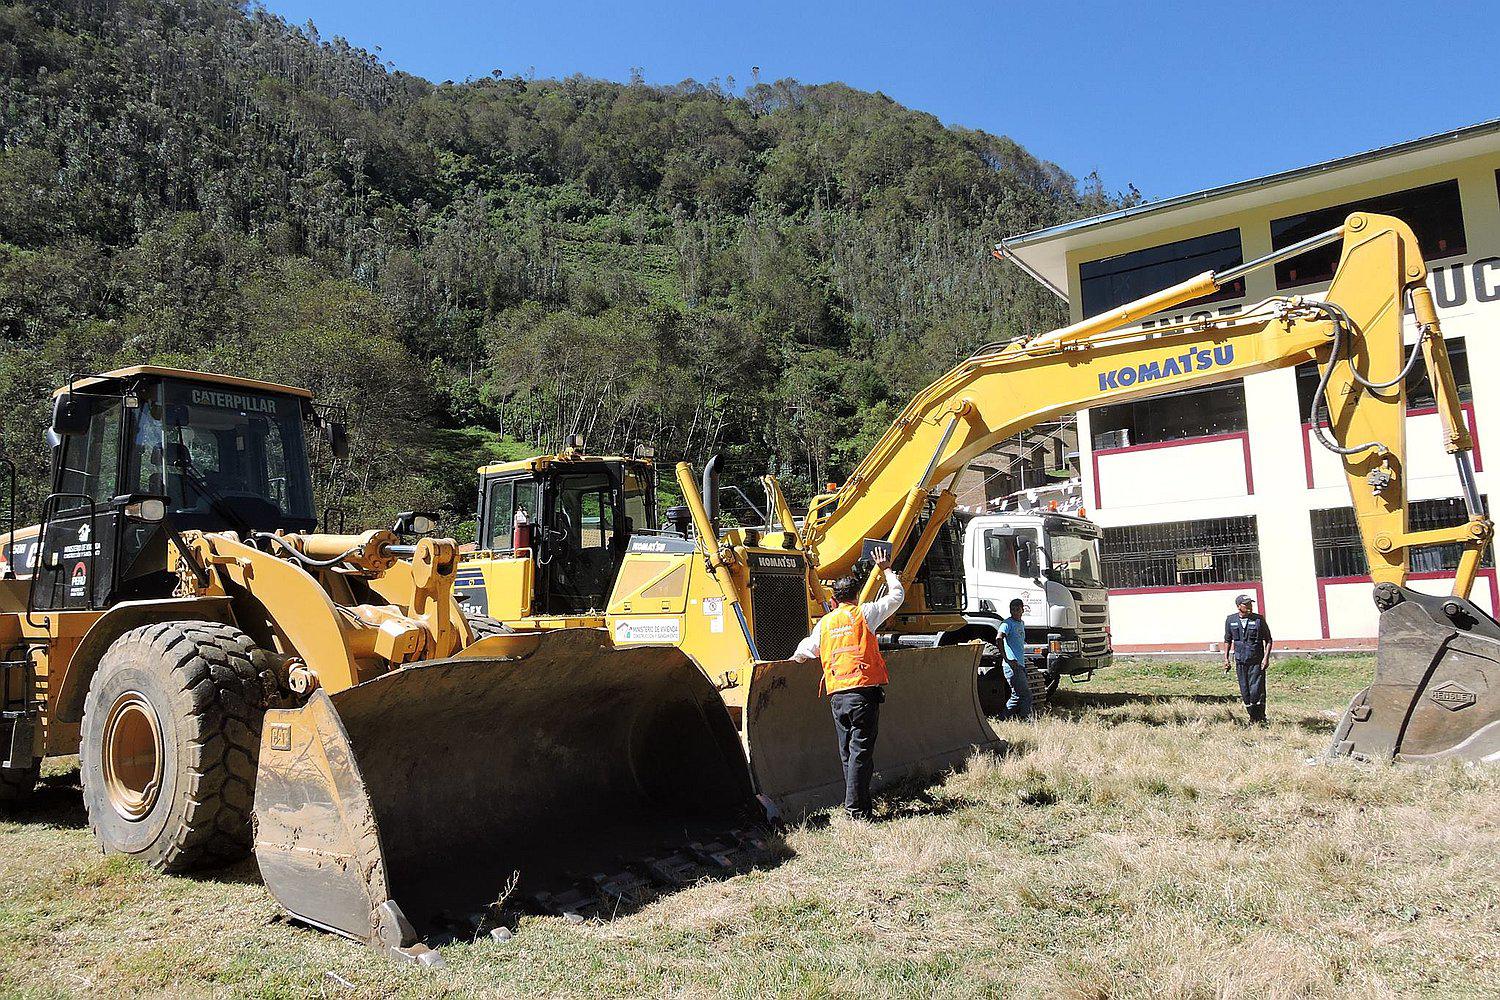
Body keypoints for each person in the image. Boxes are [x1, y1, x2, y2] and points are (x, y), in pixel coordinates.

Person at [792, 553, 905, 821]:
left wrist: (794, 659)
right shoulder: (864, 614)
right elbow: (896, 596)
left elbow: (806, 649)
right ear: (856, 596)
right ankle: (856, 810)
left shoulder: (825, 623)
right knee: (861, 752)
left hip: (837, 696)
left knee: (848, 753)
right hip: (862, 693)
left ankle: (857, 805)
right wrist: (886, 570)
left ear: (834, 599)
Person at [1223, 593, 1273, 723]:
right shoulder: (1230, 620)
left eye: (1250, 604)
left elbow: (1268, 640)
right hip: (1240, 661)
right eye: (1246, 604)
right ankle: (1252, 717)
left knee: (1256, 689)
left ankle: (1260, 718)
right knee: (1245, 690)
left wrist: (1266, 658)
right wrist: (1226, 659)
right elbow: (1227, 640)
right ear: (1238, 606)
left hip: (1256, 660)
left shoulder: (1258, 620)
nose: (1250, 606)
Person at [996, 598, 1033, 719]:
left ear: (1023, 610)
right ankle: (1025, 719)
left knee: (1017, 695)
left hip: (1020, 664)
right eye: (1012, 610)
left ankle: (1002, 718)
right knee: (1026, 695)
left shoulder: (1021, 623)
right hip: (1012, 665)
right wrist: (1007, 659)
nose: (1015, 612)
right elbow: (999, 638)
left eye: (1017, 609)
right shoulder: (1007, 624)